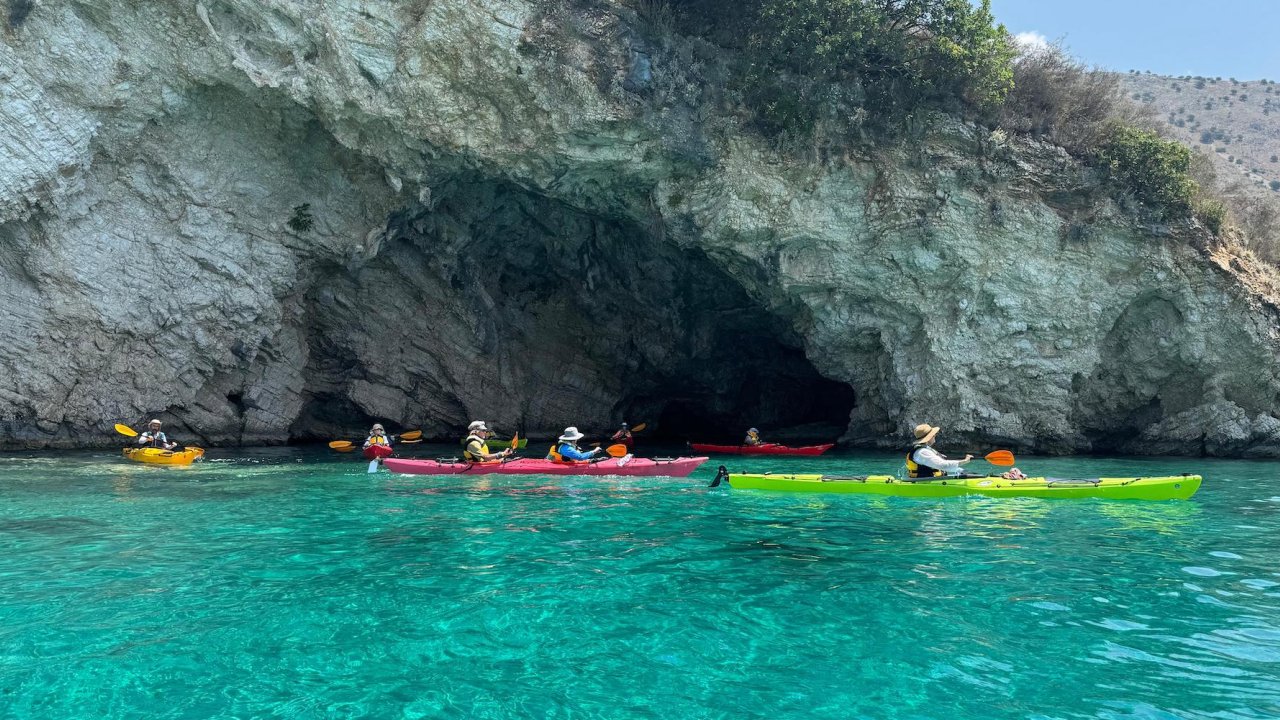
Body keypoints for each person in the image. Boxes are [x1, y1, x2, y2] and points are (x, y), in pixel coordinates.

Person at [905, 424, 973, 479]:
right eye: (933, 435)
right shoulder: (923, 452)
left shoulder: (925, 449)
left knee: (966, 473)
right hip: (926, 483)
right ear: (929, 437)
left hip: (930, 481)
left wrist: (960, 470)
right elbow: (942, 465)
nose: (935, 436)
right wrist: (964, 461)